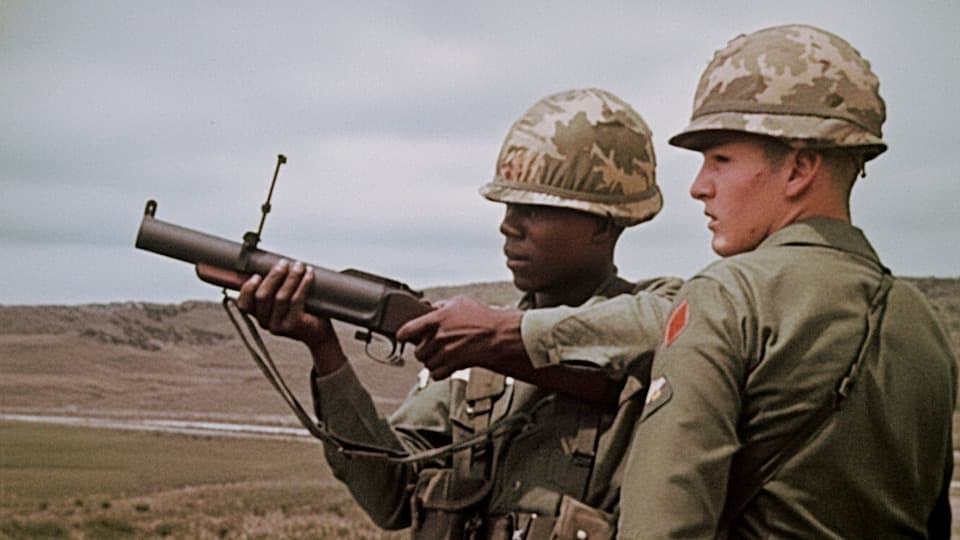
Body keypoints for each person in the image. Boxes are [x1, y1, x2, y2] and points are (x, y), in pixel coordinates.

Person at [400, 25, 958, 538]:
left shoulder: (723, 298)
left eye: (719, 159)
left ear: (799, 167)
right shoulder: (924, 325)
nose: (698, 187)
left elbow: (667, 525)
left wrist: (506, 333)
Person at [235, 88, 681, 539]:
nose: (509, 225)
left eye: (533, 208)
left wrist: (497, 337)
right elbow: (390, 498)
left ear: (603, 221)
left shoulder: (665, 315)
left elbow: (661, 326)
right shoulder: (475, 353)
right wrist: (323, 348)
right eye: (508, 206)